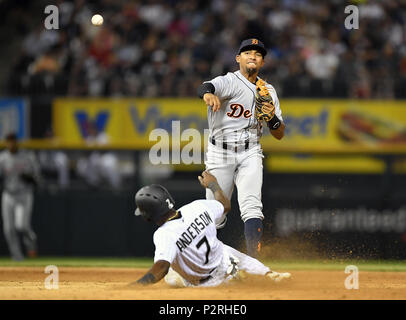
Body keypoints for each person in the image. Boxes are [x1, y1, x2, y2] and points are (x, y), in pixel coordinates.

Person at [196, 38, 285, 257]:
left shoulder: (269, 91)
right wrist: (208, 94)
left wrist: (272, 118)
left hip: (250, 151)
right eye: (247, 52)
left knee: (252, 206)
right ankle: (208, 261)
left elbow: (279, 133)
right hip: (220, 152)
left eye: (258, 53)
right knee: (215, 211)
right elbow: (205, 87)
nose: (253, 55)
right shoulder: (230, 81)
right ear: (238, 59)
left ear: (263, 62)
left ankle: (253, 262)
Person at [131, 171, 291, 287]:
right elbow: (226, 205)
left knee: (172, 277)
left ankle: (234, 278)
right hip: (227, 258)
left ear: (148, 216)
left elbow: (161, 267)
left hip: (207, 283)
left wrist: (136, 286)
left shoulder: (164, 234)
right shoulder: (197, 206)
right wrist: (213, 184)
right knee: (232, 256)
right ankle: (269, 275)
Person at [0, 133, 41, 261]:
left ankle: (31, 240)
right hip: (8, 194)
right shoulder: (2, 158)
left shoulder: (27, 156)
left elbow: (37, 178)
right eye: (9, 141)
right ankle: (17, 257)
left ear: (16, 142)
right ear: (6, 143)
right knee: (8, 229)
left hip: (24, 194)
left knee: (22, 226)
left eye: (13, 141)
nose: (11, 144)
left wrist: (30, 178)